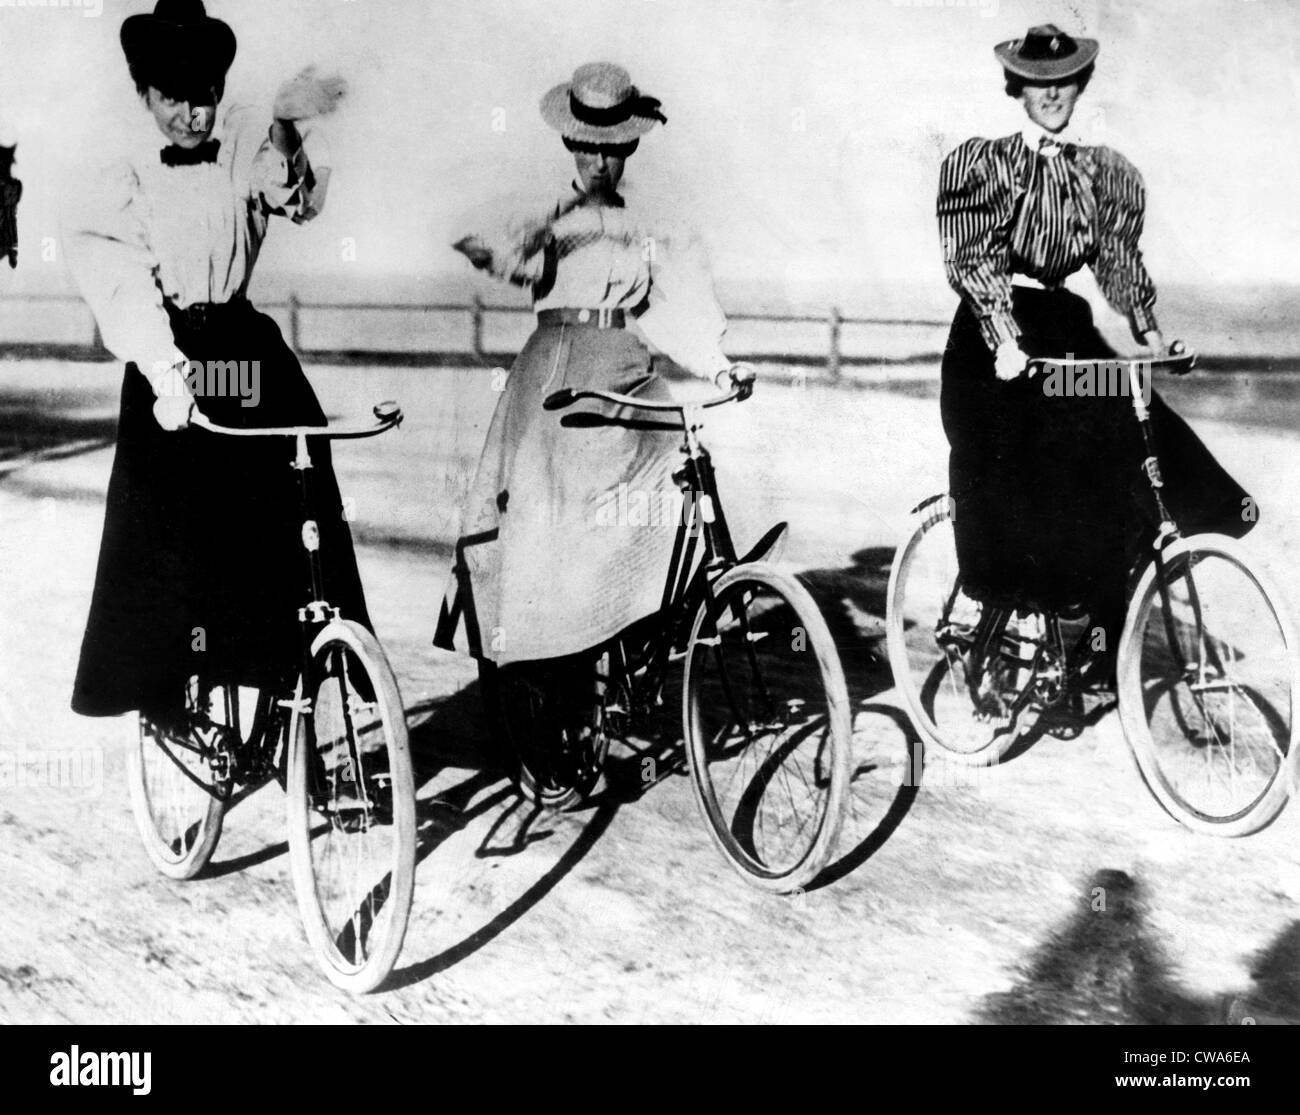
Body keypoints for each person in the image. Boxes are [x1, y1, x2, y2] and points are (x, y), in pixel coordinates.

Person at [434, 62, 748, 770]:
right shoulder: (547, 215)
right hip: (555, 380)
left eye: (610, 149)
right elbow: (483, 243)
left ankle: (634, 650)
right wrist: (541, 226)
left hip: (627, 371)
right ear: (569, 147)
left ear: (629, 148)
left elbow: (676, 306)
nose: (598, 161)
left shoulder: (648, 227)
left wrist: (718, 363)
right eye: (585, 147)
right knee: (551, 535)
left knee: (673, 488)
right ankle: (546, 709)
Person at [64, 0, 367, 726]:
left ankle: (297, 649)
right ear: (145, 94)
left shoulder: (239, 148)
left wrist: (289, 127)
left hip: (239, 345)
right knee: (173, 512)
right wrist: (165, 369)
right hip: (170, 347)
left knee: (298, 460)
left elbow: (288, 191)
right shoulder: (125, 170)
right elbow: (117, 273)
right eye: (173, 98)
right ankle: (166, 683)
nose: (191, 116)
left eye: (204, 97)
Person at [936, 24, 1253, 711]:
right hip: (996, 341)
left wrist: (1152, 333)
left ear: (1079, 87)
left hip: (1063, 332)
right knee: (1030, 469)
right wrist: (1003, 333)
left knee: (1128, 420)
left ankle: (1098, 624)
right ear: (1019, 88)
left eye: (1065, 83)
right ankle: (1010, 609)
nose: (1053, 96)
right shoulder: (985, 163)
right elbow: (972, 255)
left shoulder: (1098, 172)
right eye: (1039, 84)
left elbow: (1117, 261)